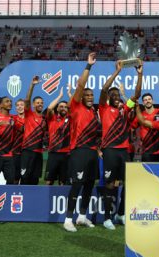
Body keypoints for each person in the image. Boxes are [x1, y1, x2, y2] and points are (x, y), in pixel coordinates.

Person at [99, 59, 142, 229]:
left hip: (124, 151)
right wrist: (117, 72)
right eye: (113, 96)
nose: (117, 98)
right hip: (109, 150)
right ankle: (107, 218)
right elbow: (104, 89)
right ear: (109, 98)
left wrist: (140, 74)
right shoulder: (103, 108)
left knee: (127, 183)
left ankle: (121, 213)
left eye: (118, 95)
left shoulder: (125, 109)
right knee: (110, 184)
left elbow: (136, 95)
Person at [63, 53, 98, 232]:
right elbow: (80, 85)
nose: (90, 96)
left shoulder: (94, 113)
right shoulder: (75, 106)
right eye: (87, 95)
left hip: (92, 152)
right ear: (81, 97)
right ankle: (68, 219)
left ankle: (82, 216)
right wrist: (88, 66)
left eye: (92, 94)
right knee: (77, 184)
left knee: (89, 184)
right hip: (79, 150)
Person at [20, 76, 46, 185]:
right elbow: (27, 100)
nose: (40, 104)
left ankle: (32, 201)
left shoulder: (45, 119)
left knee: (35, 179)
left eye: (41, 102)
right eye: (37, 102)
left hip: (38, 153)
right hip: (27, 151)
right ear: (33, 104)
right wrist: (32, 85)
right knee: (25, 178)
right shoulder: (29, 114)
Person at [44, 88, 70, 185]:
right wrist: (60, 97)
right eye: (61, 106)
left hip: (66, 154)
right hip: (53, 153)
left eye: (65, 107)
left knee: (63, 181)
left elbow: (77, 107)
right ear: (58, 108)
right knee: (48, 181)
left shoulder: (71, 119)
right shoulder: (52, 118)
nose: (63, 108)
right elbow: (50, 108)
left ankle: (61, 200)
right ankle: (45, 199)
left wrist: (69, 94)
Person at [134, 93, 159, 162]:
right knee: (148, 172)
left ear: (153, 101)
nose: (148, 101)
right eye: (145, 100)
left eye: (149, 99)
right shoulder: (140, 115)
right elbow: (132, 127)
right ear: (143, 103)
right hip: (146, 151)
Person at [12, 99, 25, 184]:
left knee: (25, 177)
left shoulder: (30, 118)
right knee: (15, 177)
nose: (20, 107)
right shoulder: (12, 118)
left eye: (22, 105)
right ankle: (13, 193)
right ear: (16, 108)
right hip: (15, 151)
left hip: (27, 151)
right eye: (18, 105)